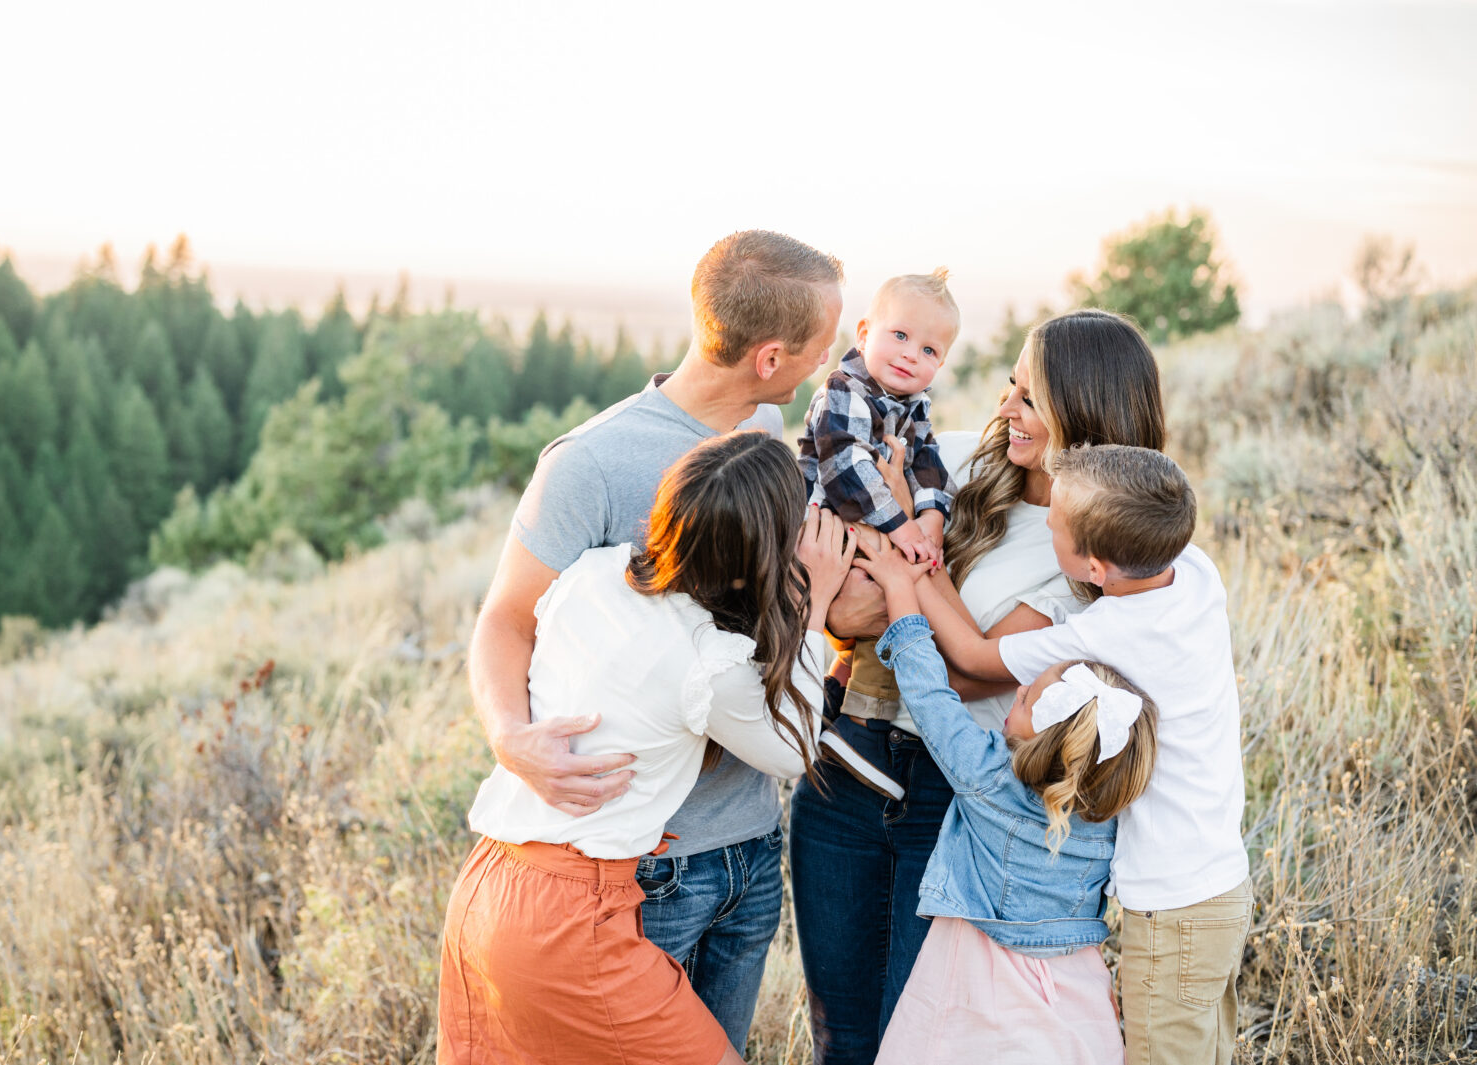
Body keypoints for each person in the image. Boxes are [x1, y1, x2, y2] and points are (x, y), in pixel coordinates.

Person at [466, 230, 849, 1052]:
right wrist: (511, 739)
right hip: (644, 870)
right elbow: (505, 618)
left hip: (749, 847)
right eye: (824, 344)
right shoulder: (592, 465)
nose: (831, 359)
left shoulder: (768, 431)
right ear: (772, 356)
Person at [790, 308, 1166, 1065]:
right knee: (841, 1036)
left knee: (911, 1031)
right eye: (1009, 386)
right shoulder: (954, 461)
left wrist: (898, 561)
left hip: (958, 793)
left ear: (1082, 413)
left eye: (1029, 399)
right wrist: (852, 598)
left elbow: (968, 668)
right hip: (851, 760)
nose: (1004, 409)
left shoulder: (1088, 549)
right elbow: (834, 591)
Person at [439, 433, 855, 1065]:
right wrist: (814, 602)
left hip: (489, 885)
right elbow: (794, 752)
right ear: (764, 555)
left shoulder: (591, 571)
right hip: (572, 918)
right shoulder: (706, 663)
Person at [917, 444, 1252, 1065]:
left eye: (1057, 525)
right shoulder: (1196, 571)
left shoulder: (1109, 631)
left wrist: (912, 569)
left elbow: (970, 659)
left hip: (1172, 908)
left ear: (1096, 568)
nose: (1046, 522)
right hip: (1223, 886)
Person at [850, 530, 1158, 1063]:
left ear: (1040, 735)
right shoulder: (1108, 803)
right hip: (1072, 994)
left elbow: (929, 695)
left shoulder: (986, 776)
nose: (1015, 689)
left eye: (1028, 695)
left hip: (974, 982)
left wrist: (901, 589)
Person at [796, 271, 959, 799]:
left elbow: (929, 463)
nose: (912, 355)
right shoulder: (844, 390)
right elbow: (845, 468)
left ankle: (840, 704)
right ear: (864, 332)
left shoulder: (914, 404)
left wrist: (931, 519)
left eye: (930, 349)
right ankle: (861, 729)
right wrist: (902, 526)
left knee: (898, 593)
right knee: (890, 587)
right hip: (827, 521)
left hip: (869, 523)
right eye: (900, 336)